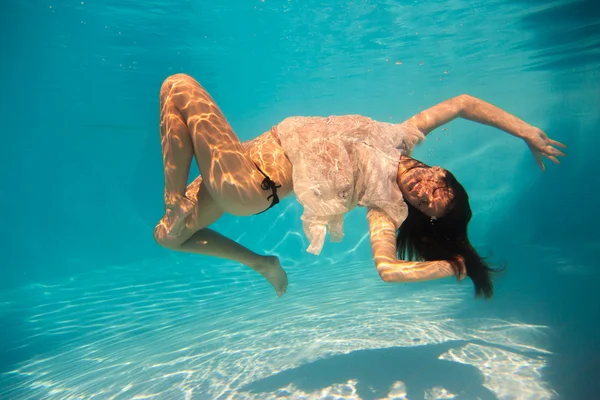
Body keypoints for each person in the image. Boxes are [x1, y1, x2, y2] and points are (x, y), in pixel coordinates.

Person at [153, 73, 566, 299]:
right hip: (244, 154)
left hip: (247, 185)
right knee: (167, 237)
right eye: (440, 193)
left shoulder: (384, 205)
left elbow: (387, 270)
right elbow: (461, 103)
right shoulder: (404, 135)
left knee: (178, 86)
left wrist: (453, 265)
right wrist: (526, 131)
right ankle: (263, 264)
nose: (424, 195)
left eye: (425, 207)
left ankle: (174, 199)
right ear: (443, 173)